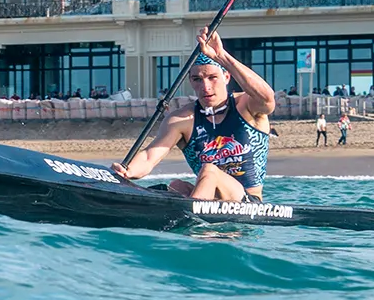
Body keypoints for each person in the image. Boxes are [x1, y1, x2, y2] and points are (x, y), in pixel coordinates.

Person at [110, 28, 274, 201]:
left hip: (248, 201)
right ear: (190, 81)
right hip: (209, 199)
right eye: (197, 79)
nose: (205, 87)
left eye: (212, 77)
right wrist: (127, 171)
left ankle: (195, 220)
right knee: (176, 186)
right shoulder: (181, 120)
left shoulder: (247, 105)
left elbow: (267, 98)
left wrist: (221, 57)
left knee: (209, 169)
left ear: (226, 77)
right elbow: (150, 156)